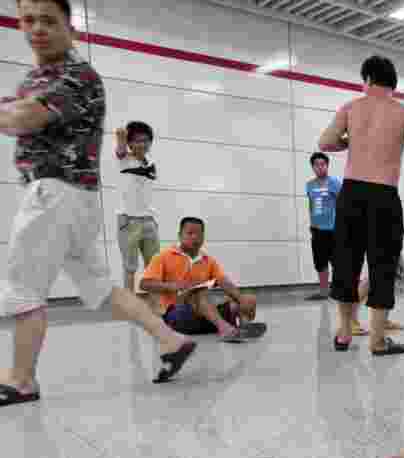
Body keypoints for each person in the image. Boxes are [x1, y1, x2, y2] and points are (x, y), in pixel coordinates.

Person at [0, 0, 196, 404]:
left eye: (49, 21)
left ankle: (21, 380)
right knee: (99, 287)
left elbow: (23, 120)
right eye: (29, 20)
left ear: (69, 28)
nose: (37, 28)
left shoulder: (77, 76)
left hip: (55, 193)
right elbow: (16, 114)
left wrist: (15, 111)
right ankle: (170, 340)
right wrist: (13, 110)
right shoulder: (35, 79)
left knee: (23, 286)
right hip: (73, 199)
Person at [318, 55, 404, 356]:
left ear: (368, 79)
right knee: (382, 266)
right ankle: (376, 341)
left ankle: (345, 334)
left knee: (346, 264)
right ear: (392, 82)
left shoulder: (351, 108)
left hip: (351, 195)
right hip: (383, 197)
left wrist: (352, 142)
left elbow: (325, 142)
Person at [141, 217, 262, 343]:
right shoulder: (163, 257)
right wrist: (173, 286)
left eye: (199, 234)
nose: (195, 237)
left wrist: (242, 301)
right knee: (198, 292)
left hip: (205, 317)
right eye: (190, 233)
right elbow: (144, 284)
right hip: (178, 318)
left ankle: (244, 328)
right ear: (179, 235)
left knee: (247, 298)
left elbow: (224, 282)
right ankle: (226, 330)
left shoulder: (208, 260)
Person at [114, 120, 159, 293]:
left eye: (146, 140)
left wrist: (153, 219)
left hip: (149, 220)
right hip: (129, 221)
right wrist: (121, 137)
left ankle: (155, 303)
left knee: (153, 266)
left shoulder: (151, 161)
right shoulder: (125, 159)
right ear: (129, 143)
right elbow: (119, 149)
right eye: (137, 140)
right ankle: (130, 305)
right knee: (130, 266)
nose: (142, 144)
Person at [305, 152, 342, 301]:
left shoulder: (335, 183)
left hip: (333, 229)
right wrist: (312, 223)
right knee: (320, 262)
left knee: (338, 262)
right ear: (313, 167)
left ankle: (339, 289)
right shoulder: (309, 185)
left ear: (327, 165)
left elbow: (342, 205)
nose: (320, 167)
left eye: (323, 164)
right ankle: (323, 292)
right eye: (316, 165)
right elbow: (311, 204)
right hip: (317, 230)